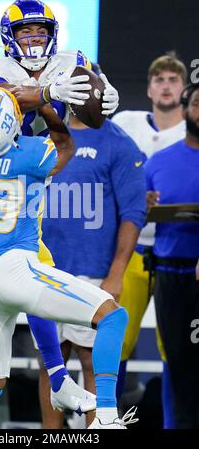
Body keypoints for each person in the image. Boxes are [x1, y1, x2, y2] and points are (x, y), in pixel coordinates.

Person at [0, 0, 120, 422]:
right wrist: (51, 96)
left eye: (40, 31)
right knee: (36, 267)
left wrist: (105, 96)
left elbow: (95, 96)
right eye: (24, 32)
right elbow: (2, 104)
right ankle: (59, 381)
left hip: (0, 186)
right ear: (7, 38)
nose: (34, 38)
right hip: (20, 164)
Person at [37, 109, 146, 428]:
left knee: (92, 360)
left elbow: (134, 212)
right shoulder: (46, 138)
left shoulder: (119, 142)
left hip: (93, 270)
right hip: (46, 269)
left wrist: (116, 272)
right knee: (50, 361)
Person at [112, 54, 187, 428]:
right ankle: (105, 423)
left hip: (179, 250)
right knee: (115, 345)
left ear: (184, 89)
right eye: (160, 78)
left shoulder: (191, 134)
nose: (167, 85)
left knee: (176, 348)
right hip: (133, 249)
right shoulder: (125, 124)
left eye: (174, 79)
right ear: (148, 87)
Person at [145, 82, 199, 428]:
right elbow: (139, 215)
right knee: (177, 362)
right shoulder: (158, 161)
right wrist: (145, 204)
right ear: (185, 108)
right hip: (168, 273)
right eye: (197, 103)